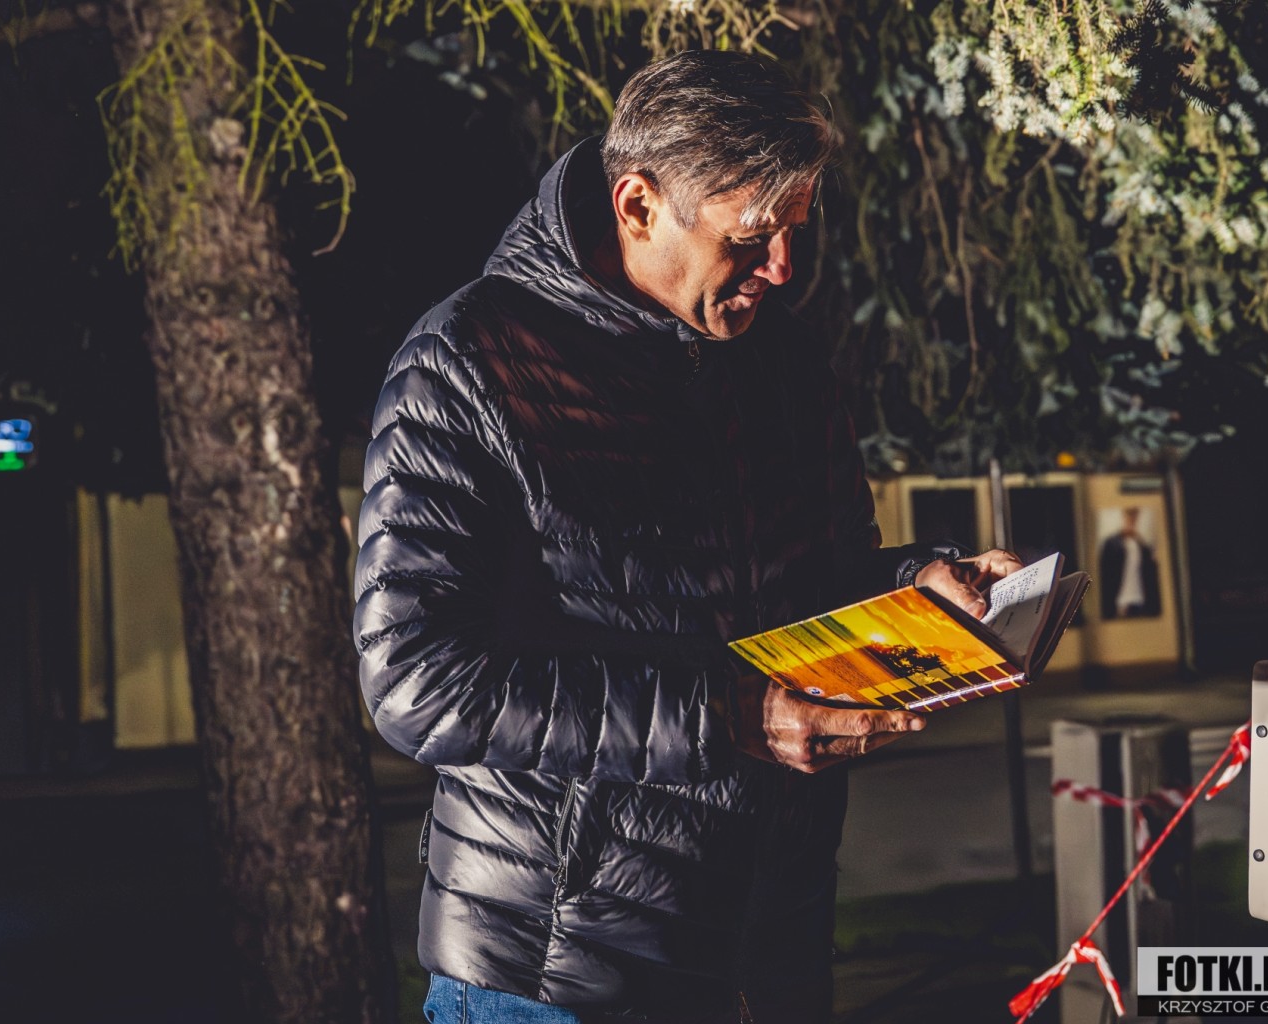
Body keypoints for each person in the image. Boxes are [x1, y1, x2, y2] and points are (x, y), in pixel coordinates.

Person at [353, 50, 1022, 1023]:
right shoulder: (467, 360)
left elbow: (820, 581)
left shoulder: (781, 357)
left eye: (794, 230)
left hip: (769, 949)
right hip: (560, 973)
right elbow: (417, 681)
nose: (782, 268)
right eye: (750, 237)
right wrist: (725, 716)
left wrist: (920, 584)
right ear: (638, 205)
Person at [1099, 506, 1162, 619]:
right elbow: (1105, 574)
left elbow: (1148, 573)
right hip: (1120, 601)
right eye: (1129, 517)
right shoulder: (1111, 543)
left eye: (1134, 518)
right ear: (1124, 517)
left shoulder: (1141, 545)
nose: (1131, 521)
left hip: (1140, 600)